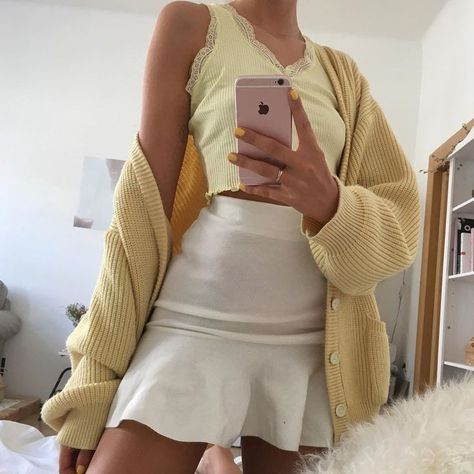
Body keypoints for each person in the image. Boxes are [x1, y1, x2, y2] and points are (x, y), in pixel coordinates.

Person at [42, 1, 421, 473]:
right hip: (192, 325)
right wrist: (93, 381)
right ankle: (218, 456)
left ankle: (218, 460)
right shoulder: (190, 24)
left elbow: (401, 222)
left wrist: (330, 202)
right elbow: (139, 216)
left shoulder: (343, 75)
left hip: (313, 349)